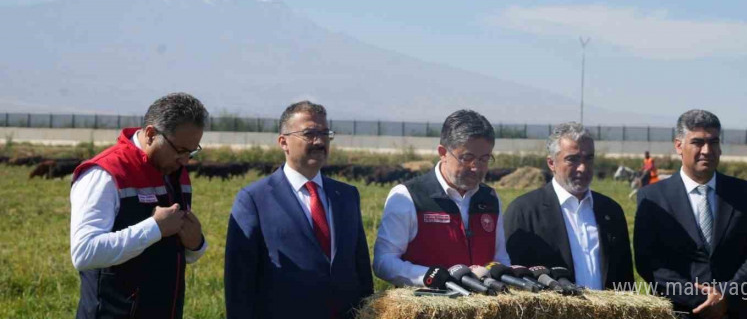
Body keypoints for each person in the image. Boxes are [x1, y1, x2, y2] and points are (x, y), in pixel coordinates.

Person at [225, 101, 373, 319]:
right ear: (283, 142)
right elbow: (239, 280)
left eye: (325, 133)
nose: (320, 141)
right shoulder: (255, 199)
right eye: (309, 133)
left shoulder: (347, 196)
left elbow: (360, 267)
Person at [70, 92, 209, 319]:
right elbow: (84, 253)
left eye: (192, 151)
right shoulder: (105, 173)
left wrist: (196, 245)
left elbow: (172, 249)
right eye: (181, 150)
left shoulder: (175, 172)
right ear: (151, 134)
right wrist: (154, 228)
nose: (185, 161)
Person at [634, 110, 747, 319]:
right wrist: (699, 300)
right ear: (679, 146)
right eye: (697, 142)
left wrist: (726, 296)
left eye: (713, 142)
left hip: (734, 311)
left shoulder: (744, 193)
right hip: (679, 312)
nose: (707, 150)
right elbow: (648, 260)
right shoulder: (652, 197)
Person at [373, 109, 510, 286]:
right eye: (467, 158)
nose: (476, 167)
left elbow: (500, 258)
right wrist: (431, 277)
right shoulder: (409, 196)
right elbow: (384, 261)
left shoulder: (490, 198)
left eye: (484, 159)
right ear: (443, 152)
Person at [504, 122, 635, 289]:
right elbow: (515, 280)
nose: (583, 168)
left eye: (589, 158)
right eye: (572, 159)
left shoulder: (611, 211)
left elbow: (625, 280)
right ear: (551, 163)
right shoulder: (523, 212)